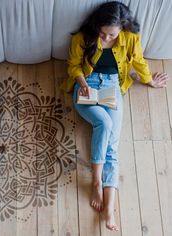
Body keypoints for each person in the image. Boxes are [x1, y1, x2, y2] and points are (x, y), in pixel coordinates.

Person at [61, 1, 169, 232]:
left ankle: (110, 208)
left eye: (111, 34)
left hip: (112, 87)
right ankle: (97, 181)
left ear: (122, 27)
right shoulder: (82, 37)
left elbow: (138, 61)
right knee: (104, 122)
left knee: (112, 144)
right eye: (102, 33)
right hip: (86, 86)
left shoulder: (130, 38)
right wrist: (82, 83)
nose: (106, 37)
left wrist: (149, 80)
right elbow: (72, 66)